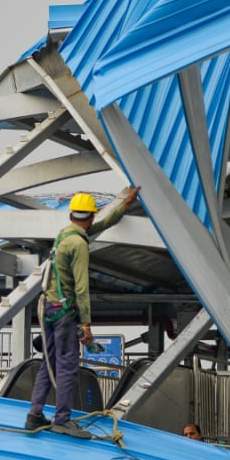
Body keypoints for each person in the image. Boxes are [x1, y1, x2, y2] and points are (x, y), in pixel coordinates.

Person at [26, 186, 140, 438]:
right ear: (91, 215)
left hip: (49, 308)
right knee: (67, 366)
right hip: (65, 313)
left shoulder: (64, 235)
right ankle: (62, 419)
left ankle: (34, 414)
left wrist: (123, 206)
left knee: (48, 363)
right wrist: (86, 324)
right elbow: (81, 287)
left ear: (71, 215)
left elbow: (99, 226)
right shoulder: (79, 244)